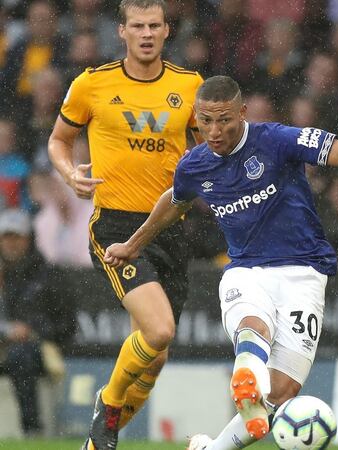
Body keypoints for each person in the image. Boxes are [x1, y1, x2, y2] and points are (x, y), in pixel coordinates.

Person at [103, 75, 338, 450]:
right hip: (246, 272)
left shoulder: (276, 140)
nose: (214, 131)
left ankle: (213, 445)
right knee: (254, 326)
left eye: (224, 120)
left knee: (280, 393)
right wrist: (133, 244)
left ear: (242, 113)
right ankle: (247, 377)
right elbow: (174, 200)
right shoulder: (195, 165)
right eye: (205, 121)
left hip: (306, 273)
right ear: (196, 117)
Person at [46, 1, 203, 449]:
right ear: (122, 31)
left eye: (154, 25)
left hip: (169, 227)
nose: (146, 33)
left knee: (155, 356)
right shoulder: (92, 84)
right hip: (115, 226)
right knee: (159, 330)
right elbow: (59, 140)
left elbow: (208, 148)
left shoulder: (190, 86)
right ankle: (108, 403)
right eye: (138, 26)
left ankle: (96, 444)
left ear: (167, 31)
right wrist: (69, 173)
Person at [0, 208, 76, 437]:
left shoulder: (48, 275)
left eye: (17, 237)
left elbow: (67, 325)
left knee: (20, 356)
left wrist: (33, 331)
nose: (11, 244)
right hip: (4, 344)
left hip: (41, 348)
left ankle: (32, 430)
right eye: (6, 237)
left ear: (29, 239)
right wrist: (7, 331)